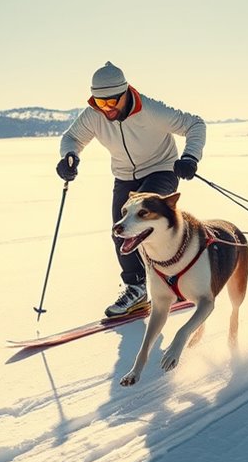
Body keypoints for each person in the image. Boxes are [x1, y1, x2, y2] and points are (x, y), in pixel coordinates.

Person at [55, 62, 206, 317]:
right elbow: (72, 138)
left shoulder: (150, 109)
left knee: (150, 225)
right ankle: (136, 289)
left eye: (112, 101)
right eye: (100, 103)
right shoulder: (94, 114)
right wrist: (68, 156)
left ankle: (178, 279)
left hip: (161, 169)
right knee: (122, 231)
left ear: (125, 93)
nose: (107, 109)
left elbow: (195, 124)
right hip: (125, 177)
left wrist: (190, 157)